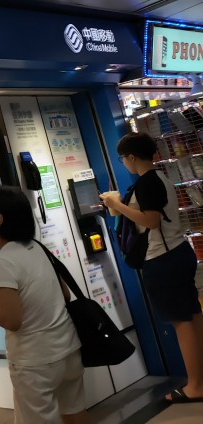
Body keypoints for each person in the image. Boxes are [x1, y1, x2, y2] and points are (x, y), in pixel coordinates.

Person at [100, 132, 203, 403]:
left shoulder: (147, 183)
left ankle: (195, 386)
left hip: (162, 259)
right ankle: (200, 380)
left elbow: (151, 221)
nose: (124, 163)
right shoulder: (160, 177)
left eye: (123, 158)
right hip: (178, 252)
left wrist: (116, 205)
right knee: (192, 317)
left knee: (182, 323)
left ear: (132, 157)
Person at [0, 186, 88, 424]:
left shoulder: (3, 261)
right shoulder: (38, 247)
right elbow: (65, 295)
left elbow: (12, 321)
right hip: (68, 347)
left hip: (34, 361)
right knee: (75, 413)